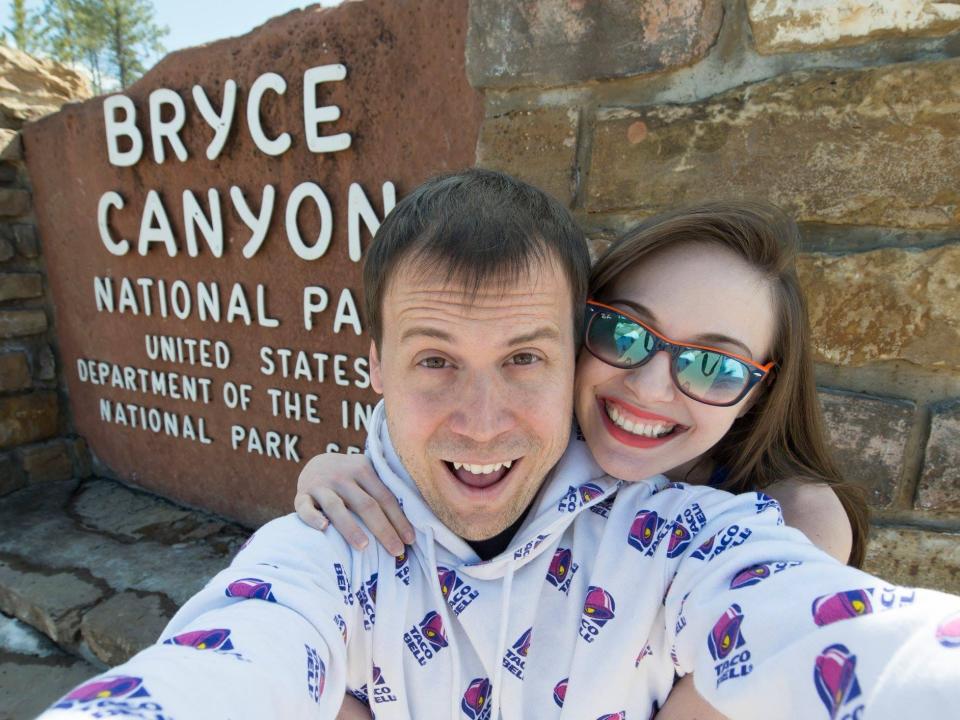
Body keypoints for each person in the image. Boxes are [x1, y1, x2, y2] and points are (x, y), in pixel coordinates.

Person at [41, 170, 960, 720]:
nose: (481, 421)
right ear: (373, 366)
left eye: (523, 357)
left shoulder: (711, 534)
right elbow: (220, 662)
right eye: (436, 360)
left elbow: (858, 642)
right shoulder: (331, 542)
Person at [292, 200, 869, 720]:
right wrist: (344, 468)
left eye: (713, 366)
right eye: (623, 332)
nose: (647, 388)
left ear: (756, 395)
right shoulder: (540, 450)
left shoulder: (796, 520)